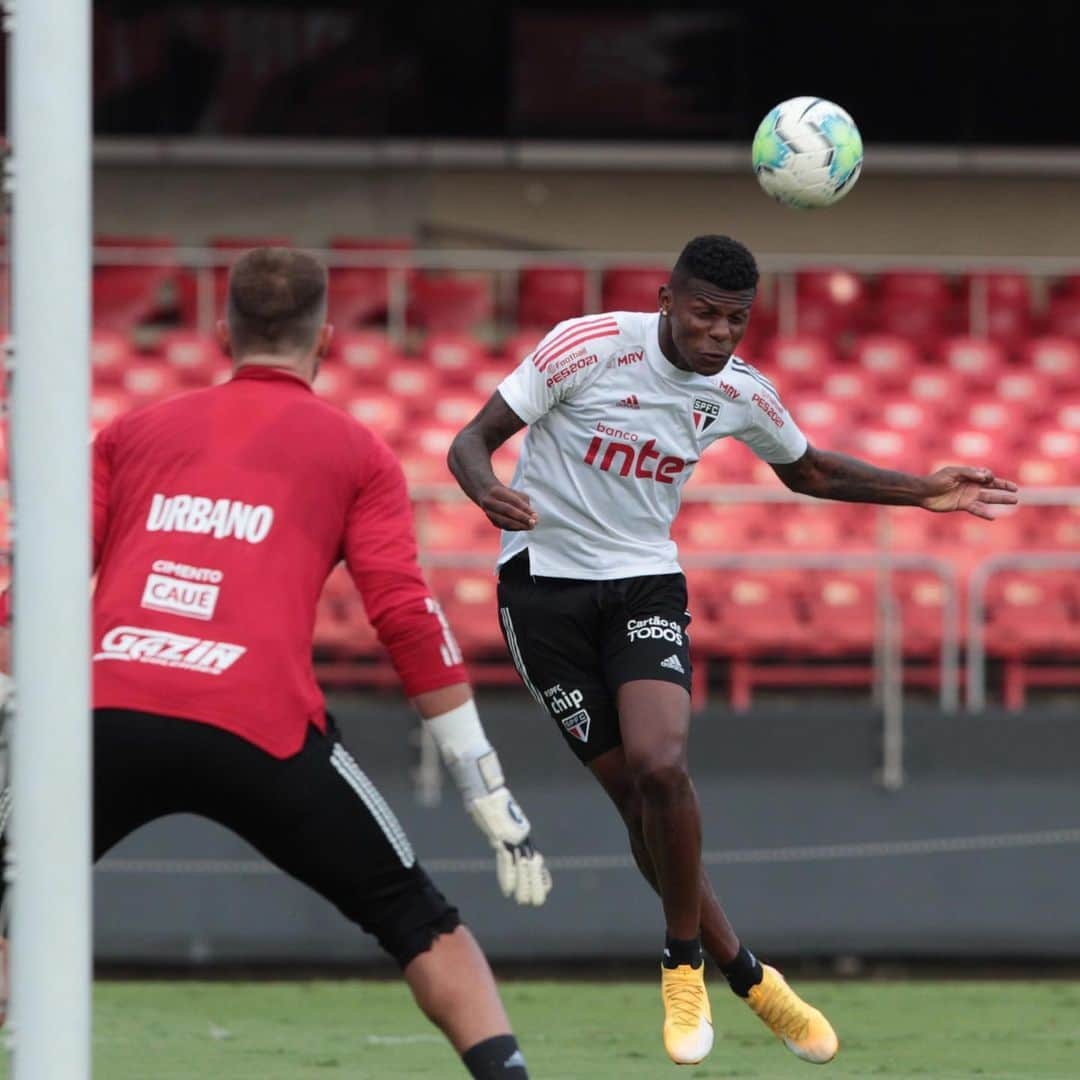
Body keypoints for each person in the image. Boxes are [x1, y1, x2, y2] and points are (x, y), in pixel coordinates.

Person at [448, 234, 1019, 1068]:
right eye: (705, 313)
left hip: (644, 585)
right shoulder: (586, 347)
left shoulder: (739, 392)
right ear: (665, 300)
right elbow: (470, 439)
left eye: (736, 320)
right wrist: (483, 488)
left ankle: (682, 965)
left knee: (662, 763)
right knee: (636, 804)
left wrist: (924, 490)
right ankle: (751, 977)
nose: (719, 334)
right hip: (541, 594)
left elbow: (812, 471)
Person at [0, 247, 550, 1079]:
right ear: (327, 337)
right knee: (417, 919)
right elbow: (405, 616)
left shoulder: (132, 432)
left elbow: (36, 587)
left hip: (104, 711)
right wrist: (483, 781)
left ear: (223, 332)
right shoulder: (358, 454)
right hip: (260, 726)